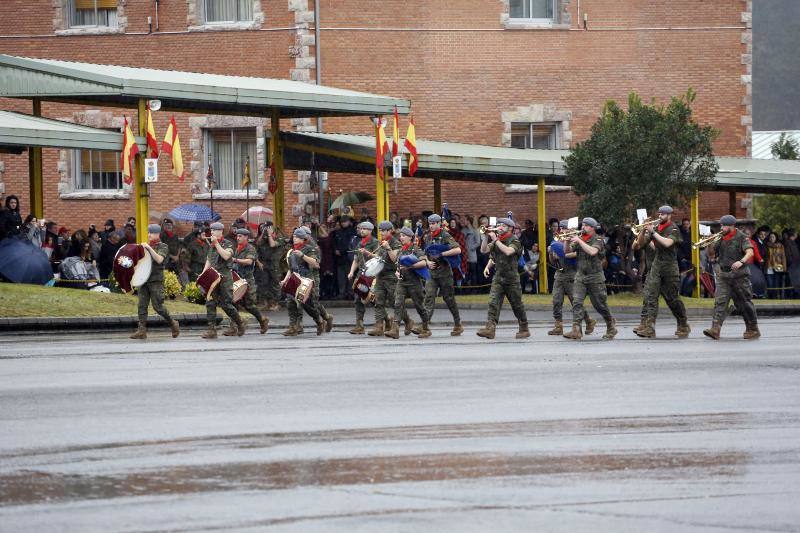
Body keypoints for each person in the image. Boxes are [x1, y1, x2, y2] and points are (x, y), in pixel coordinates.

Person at [633, 206, 690, 338]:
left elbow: (667, 243)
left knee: (672, 299)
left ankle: (683, 323)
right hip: (657, 267)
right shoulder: (656, 228)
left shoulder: (674, 229)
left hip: (670, 268)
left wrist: (652, 232)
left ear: (669, 215)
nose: (660, 216)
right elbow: (639, 245)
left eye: (663, 214)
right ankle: (650, 327)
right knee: (651, 296)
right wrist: (642, 231)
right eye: (659, 214)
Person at [703, 215, 760, 340]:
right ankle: (715, 329)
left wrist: (741, 261)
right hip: (724, 276)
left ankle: (753, 328)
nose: (721, 228)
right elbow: (712, 255)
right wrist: (709, 244)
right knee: (720, 302)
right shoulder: (720, 237)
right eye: (721, 225)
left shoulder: (742, 237)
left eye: (724, 226)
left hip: (739, 276)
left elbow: (750, 252)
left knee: (744, 303)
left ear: (732, 226)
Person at [563, 217, 617, 340]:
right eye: (582, 225)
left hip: (595, 277)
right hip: (581, 276)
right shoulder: (580, 238)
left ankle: (611, 325)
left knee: (600, 305)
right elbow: (566, 251)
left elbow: (592, 251)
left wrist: (579, 240)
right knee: (576, 302)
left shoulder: (598, 239)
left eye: (586, 225)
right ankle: (576, 330)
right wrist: (566, 240)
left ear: (593, 228)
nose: (583, 227)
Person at [476, 217, 529, 339]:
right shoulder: (498, 240)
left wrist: (495, 240)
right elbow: (484, 250)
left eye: (503, 226)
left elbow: (508, 251)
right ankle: (490, 329)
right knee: (493, 302)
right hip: (498, 277)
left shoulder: (514, 240)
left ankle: (524, 328)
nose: (500, 227)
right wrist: (485, 237)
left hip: (512, 279)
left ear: (510, 228)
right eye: (499, 225)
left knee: (517, 305)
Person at [130, 224, 180, 340]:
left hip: (155, 280)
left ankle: (172, 322)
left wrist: (149, 248)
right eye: (148, 232)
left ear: (157, 234)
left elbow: (159, 259)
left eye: (151, 233)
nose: (149, 235)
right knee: (142, 305)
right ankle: (142, 330)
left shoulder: (163, 246)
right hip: (144, 279)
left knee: (158, 306)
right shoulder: (145, 247)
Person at [546, 223, 596, 336]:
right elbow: (553, 261)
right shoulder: (557, 242)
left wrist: (562, 255)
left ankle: (588, 320)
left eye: (564, 228)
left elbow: (575, 254)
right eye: (561, 228)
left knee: (575, 302)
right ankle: (558, 326)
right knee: (556, 301)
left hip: (571, 275)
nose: (562, 230)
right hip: (559, 274)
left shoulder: (575, 241)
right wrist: (551, 254)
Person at [419, 214, 463, 336]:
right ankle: (425, 327)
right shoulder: (428, 237)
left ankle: (458, 323)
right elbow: (424, 252)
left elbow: (458, 249)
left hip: (444, 273)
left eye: (434, 223)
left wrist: (442, 254)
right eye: (430, 223)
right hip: (432, 273)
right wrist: (427, 262)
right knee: (429, 297)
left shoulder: (445, 235)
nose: (431, 226)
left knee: (448, 299)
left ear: (439, 224)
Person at [201, 222, 245, 339]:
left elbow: (226, 256)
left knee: (226, 304)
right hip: (213, 276)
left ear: (220, 231)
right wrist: (203, 273)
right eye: (211, 230)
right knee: (210, 302)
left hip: (225, 276)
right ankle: (211, 330)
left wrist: (216, 244)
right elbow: (209, 259)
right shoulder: (212, 245)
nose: (211, 232)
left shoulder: (228, 243)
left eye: (214, 230)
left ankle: (239, 323)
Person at [282, 227, 327, 336]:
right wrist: (285, 280)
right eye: (294, 237)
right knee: (291, 303)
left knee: (308, 305)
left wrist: (302, 255)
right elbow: (291, 268)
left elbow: (315, 264)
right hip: (294, 280)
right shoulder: (291, 251)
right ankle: (293, 327)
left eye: (297, 237)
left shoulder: (309, 249)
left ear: (303, 239)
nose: (294, 239)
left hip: (306, 280)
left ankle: (319, 321)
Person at [387, 227, 431, 339]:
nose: (401, 238)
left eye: (404, 236)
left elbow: (423, 263)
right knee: (398, 304)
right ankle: (395, 329)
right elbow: (398, 265)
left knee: (419, 306)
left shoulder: (415, 249)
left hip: (414, 283)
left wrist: (410, 266)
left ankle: (426, 328)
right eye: (400, 236)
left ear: (410, 237)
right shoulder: (401, 250)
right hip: (402, 282)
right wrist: (397, 272)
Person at [373, 221, 411, 337]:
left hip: (391, 276)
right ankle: (379, 326)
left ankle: (408, 320)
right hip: (380, 275)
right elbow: (378, 258)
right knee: (378, 301)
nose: (381, 233)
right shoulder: (381, 242)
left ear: (390, 231)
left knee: (395, 302)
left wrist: (388, 248)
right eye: (380, 230)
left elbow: (395, 259)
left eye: (384, 230)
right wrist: (371, 256)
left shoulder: (396, 243)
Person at [230, 228, 270, 335]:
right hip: (237, 279)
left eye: (240, 236)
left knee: (249, 305)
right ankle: (233, 328)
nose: (238, 238)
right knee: (233, 302)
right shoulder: (237, 249)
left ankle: (262, 320)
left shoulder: (250, 248)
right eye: (237, 236)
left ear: (246, 237)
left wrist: (235, 260)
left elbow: (249, 261)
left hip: (247, 280)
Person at [347, 221, 380, 334]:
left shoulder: (375, 242)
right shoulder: (360, 243)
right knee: (358, 299)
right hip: (361, 274)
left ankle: (383, 321)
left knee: (373, 299)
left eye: (364, 229)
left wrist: (367, 252)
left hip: (372, 274)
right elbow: (356, 259)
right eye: (360, 228)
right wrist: (351, 271)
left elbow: (379, 257)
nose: (361, 230)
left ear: (370, 230)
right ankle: (359, 325)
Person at [765, 232, 787, 299]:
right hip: (769, 266)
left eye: (773, 237)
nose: (772, 238)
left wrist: (784, 267)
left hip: (778, 266)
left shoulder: (780, 246)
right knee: (770, 283)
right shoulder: (766, 245)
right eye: (770, 237)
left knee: (776, 282)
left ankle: (775, 296)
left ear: (776, 238)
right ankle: (771, 296)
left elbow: (783, 257)